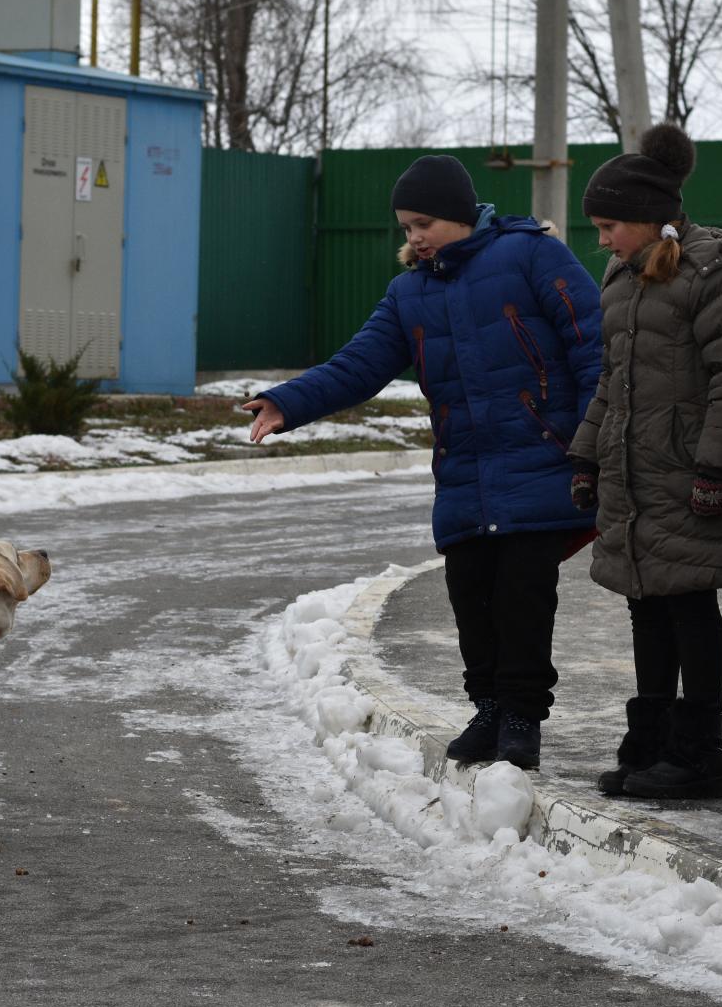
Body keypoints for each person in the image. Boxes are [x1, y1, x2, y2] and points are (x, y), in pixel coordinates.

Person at [243, 155, 603, 770]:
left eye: (424, 223)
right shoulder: (409, 293)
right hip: (464, 473)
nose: (414, 237)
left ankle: (521, 717)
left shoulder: (532, 255)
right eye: (407, 227)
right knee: (470, 593)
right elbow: (359, 364)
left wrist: (593, 442)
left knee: (523, 594)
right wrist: (287, 401)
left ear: (459, 214)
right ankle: (487, 708)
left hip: (541, 458)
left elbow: (593, 345)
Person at [570, 124, 722, 801]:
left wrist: (714, 471)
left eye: (610, 226)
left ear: (651, 216)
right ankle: (650, 745)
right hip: (634, 474)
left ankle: (699, 755)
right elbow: (610, 378)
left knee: (689, 606)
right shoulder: (621, 278)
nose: (602, 240)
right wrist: (586, 455)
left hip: (687, 474)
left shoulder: (709, 273)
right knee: (645, 606)